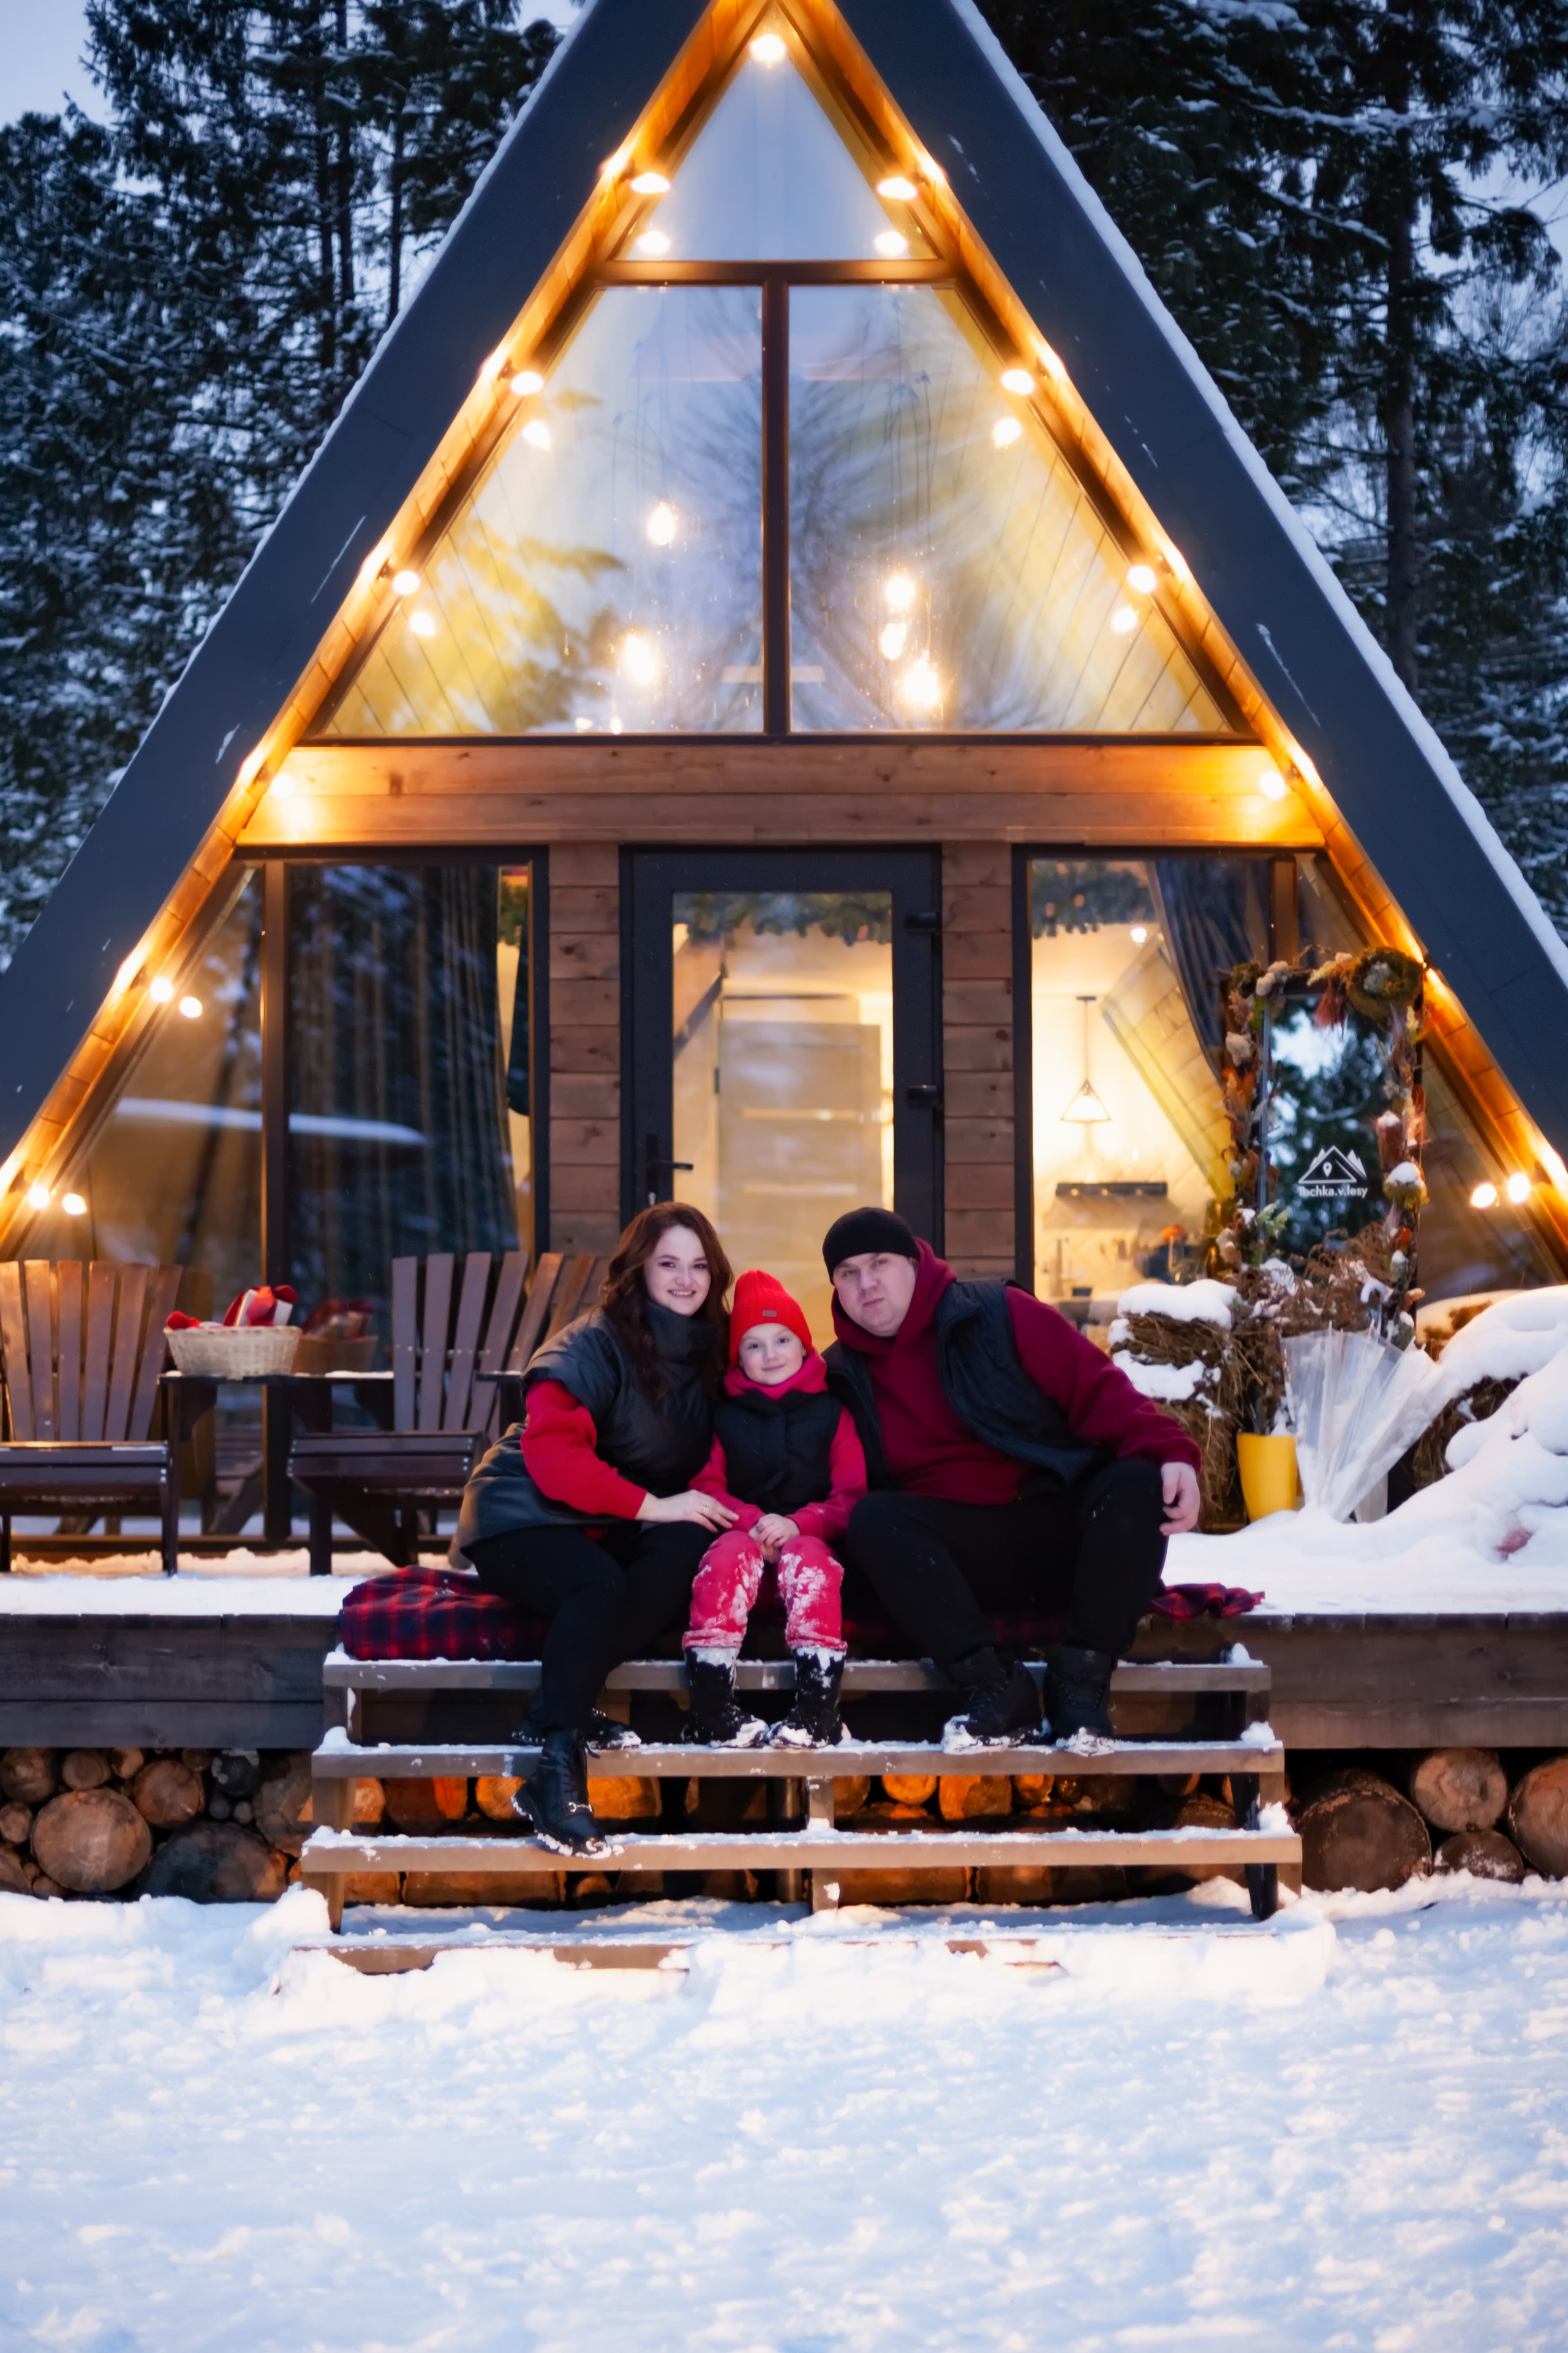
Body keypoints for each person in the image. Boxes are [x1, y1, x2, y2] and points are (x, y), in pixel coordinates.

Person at [823, 1207, 1202, 1750]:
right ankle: (995, 1686)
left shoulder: (998, 1313)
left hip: (1054, 1520)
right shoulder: (839, 1373)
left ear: (914, 1261)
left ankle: (1082, 1680)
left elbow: (1097, 1389)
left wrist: (1173, 1452)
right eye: (849, 1273)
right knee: (874, 1519)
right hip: (958, 1559)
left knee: (1138, 1484)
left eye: (880, 1263)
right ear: (835, 1287)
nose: (867, 1283)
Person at [454, 1204, 736, 1856]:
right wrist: (655, 1505)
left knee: (690, 1541)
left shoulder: (706, 1350)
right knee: (599, 1586)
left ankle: (552, 1707)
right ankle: (554, 1773)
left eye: (699, 1266)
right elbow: (555, 1462)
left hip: (602, 1521)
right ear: (638, 1270)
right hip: (519, 1514)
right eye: (668, 1263)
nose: (685, 1279)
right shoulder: (590, 1343)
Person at [682, 1269, 866, 1750]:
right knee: (727, 1552)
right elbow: (707, 1485)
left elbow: (851, 1495)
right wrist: (752, 1521)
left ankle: (817, 1707)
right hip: (743, 1548)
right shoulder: (723, 1415)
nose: (770, 1354)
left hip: (807, 1546)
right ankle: (711, 1705)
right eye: (754, 1345)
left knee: (810, 1556)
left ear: (805, 1345)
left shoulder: (832, 1412)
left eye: (782, 1339)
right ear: (737, 1357)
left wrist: (798, 1523)